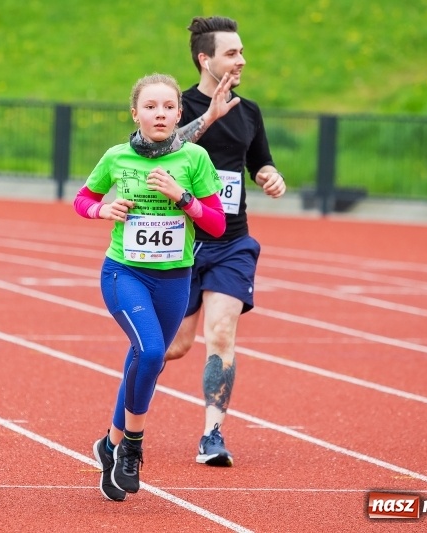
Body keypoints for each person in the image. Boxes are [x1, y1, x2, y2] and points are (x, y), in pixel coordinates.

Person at [73, 73, 227, 501]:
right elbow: (82, 199)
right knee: (154, 351)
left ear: (180, 113)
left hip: (175, 278)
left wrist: (182, 197)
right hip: (125, 273)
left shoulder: (194, 159)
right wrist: (103, 210)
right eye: (151, 106)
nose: (160, 114)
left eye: (169, 107)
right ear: (135, 112)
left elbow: (215, 224)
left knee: (145, 360)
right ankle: (132, 450)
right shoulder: (117, 157)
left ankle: (109, 444)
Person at [164, 16, 287, 468]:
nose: (242, 60)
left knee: (220, 333)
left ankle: (212, 435)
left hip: (231, 241)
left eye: (241, 52)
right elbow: (160, 148)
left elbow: (260, 164)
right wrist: (209, 116)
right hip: (178, 243)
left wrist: (271, 177)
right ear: (205, 59)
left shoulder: (250, 112)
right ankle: (128, 407)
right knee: (173, 346)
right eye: (232, 53)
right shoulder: (174, 106)